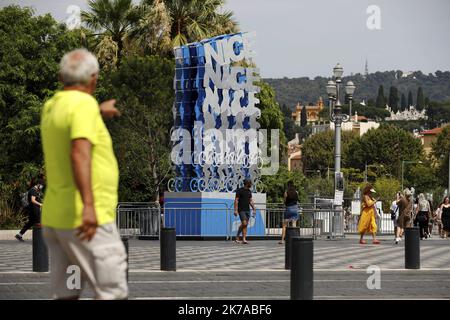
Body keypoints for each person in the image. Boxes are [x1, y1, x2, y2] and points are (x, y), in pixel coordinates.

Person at [40, 49, 127, 300]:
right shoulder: (83, 106)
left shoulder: (52, 106)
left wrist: (98, 111)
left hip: (58, 220)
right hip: (88, 221)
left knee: (67, 292)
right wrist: (89, 206)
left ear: (60, 78)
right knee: (111, 292)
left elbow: (71, 120)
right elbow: (79, 153)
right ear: (94, 78)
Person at [234, 178, 256, 244]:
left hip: (247, 210)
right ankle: (237, 236)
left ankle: (244, 239)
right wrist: (235, 210)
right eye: (250, 183)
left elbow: (250, 201)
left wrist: (254, 208)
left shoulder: (249, 191)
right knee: (244, 223)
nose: (251, 184)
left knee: (245, 225)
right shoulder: (239, 190)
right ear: (247, 183)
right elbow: (236, 200)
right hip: (241, 209)